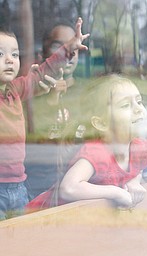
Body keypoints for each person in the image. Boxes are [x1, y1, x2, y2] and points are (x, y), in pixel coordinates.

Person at [0, 17, 89, 220]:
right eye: (0, 54)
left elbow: (43, 72)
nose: (9, 60)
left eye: (14, 54)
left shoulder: (16, 89)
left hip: (18, 185)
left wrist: (69, 48)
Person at [26, 75, 147, 212]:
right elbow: (68, 188)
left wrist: (135, 181)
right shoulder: (97, 152)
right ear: (101, 123)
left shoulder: (139, 148)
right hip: (40, 218)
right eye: (125, 105)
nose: (139, 109)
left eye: (139, 101)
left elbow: (138, 169)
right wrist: (116, 192)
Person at [25, 20, 84, 200]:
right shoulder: (27, 96)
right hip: (33, 192)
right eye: (60, 47)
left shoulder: (88, 94)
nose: (69, 53)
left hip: (78, 190)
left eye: (74, 47)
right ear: (41, 53)